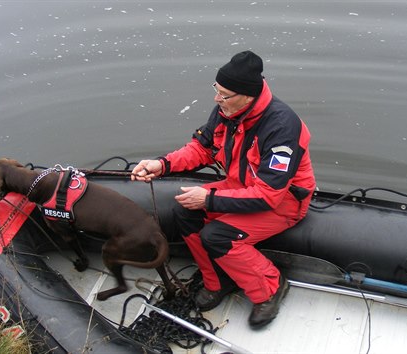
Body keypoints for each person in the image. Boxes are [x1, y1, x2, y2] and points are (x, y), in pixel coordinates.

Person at [131, 50, 316, 328]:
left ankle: (270, 288)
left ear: (248, 95)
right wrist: (163, 164)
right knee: (184, 212)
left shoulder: (282, 127)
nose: (217, 99)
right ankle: (217, 281)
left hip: (283, 202)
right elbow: (202, 148)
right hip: (239, 187)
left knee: (218, 236)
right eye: (216, 91)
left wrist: (209, 198)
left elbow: (268, 195)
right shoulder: (228, 110)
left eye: (224, 94)